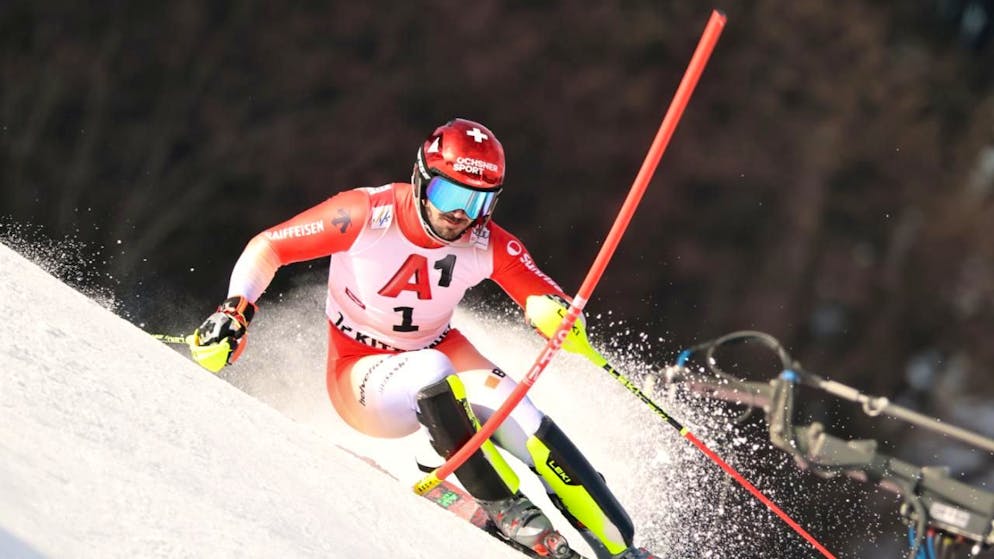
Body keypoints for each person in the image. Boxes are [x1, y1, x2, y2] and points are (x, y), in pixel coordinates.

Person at [190, 118, 654, 559]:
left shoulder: (485, 241)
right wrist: (235, 310)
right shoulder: (366, 213)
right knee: (433, 372)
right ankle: (501, 503)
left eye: (476, 203)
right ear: (420, 177)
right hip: (359, 371)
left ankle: (619, 544)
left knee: (524, 419)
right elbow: (269, 246)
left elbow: (538, 291)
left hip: (439, 346)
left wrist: (555, 315)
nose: (458, 214)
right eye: (448, 192)